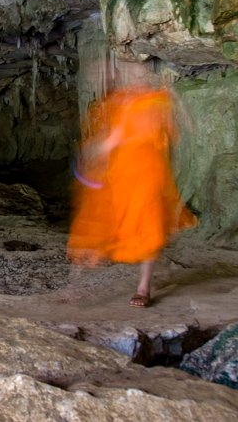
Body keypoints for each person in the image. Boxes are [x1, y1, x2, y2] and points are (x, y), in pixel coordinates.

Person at [67, 61, 197, 307]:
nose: (136, 77)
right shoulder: (121, 101)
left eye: (141, 72)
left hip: (149, 173)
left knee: (148, 227)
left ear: (150, 76)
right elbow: (113, 137)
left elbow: (183, 127)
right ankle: (74, 285)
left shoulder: (159, 100)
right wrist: (95, 155)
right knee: (101, 222)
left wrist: (177, 100)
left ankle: (143, 288)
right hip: (121, 173)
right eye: (131, 73)